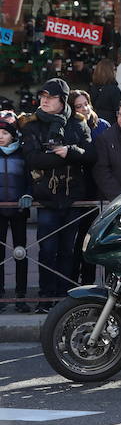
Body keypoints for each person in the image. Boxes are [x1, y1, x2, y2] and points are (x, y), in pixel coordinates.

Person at [20, 79, 96, 311]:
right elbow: (32, 158)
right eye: (42, 95)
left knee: (68, 250)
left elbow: (90, 154)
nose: (44, 100)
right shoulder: (32, 124)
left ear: (62, 100)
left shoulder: (78, 123)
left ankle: (65, 300)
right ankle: (45, 298)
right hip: (46, 197)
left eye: (50, 97)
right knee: (47, 250)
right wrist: (61, 156)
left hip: (72, 196)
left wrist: (69, 151)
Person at [70, 90, 109, 286]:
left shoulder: (102, 126)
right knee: (75, 241)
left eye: (86, 103)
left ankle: (91, 282)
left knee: (92, 239)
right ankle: (72, 284)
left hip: (99, 187)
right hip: (77, 186)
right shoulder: (70, 126)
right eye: (79, 106)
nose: (85, 108)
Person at [0, 119, 32, 313]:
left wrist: (29, 193)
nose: (0, 137)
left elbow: (31, 178)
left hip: (19, 210)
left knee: (21, 253)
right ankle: (1, 297)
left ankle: (22, 296)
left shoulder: (23, 154)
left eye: (4, 133)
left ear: (12, 135)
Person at [89, 58, 121, 126]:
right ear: (110, 72)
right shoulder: (114, 90)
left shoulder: (92, 88)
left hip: (94, 122)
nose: (116, 72)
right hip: (110, 124)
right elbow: (119, 110)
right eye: (114, 69)